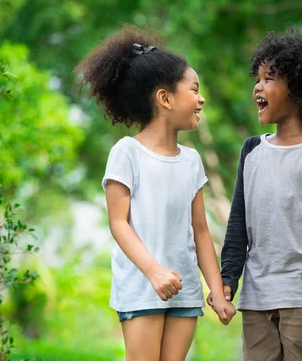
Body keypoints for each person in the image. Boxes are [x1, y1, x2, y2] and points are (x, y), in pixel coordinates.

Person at [75, 26, 235, 360]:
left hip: (185, 292)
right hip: (142, 288)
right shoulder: (126, 153)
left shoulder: (191, 161)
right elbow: (118, 223)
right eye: (194, 90)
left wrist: (216, 292)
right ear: (165, 98)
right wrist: (154, 271)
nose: (201, 98)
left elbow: (201, 231)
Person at [210, 29, 302, 361]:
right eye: (257, 79)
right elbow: (238, 225)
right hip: (257, 296)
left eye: (268, 79)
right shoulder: (251, 150)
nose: (257, 87)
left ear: (299, 90)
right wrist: (228, 277)